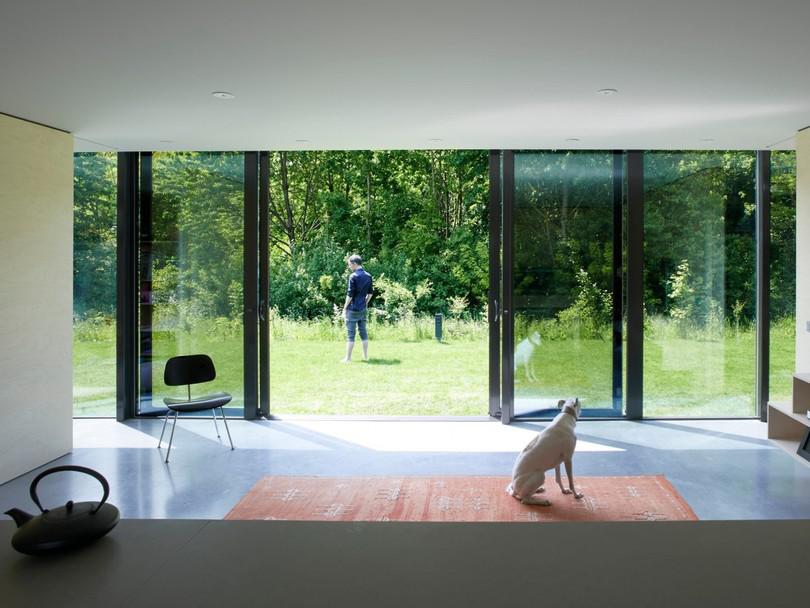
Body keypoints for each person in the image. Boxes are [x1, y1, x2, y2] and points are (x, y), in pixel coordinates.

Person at [341, 254, 373, 362]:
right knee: (363, 332)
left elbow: (350, 295)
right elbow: (370, 293)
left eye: (350, 264)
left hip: (352, 309)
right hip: (363, 308)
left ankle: (348, 358)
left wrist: (344, 308)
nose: (349, 266)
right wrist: (365, 302)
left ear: (354, 264)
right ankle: (365, 356)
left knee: (351, 334)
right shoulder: (368, 276)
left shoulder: (353, 276)